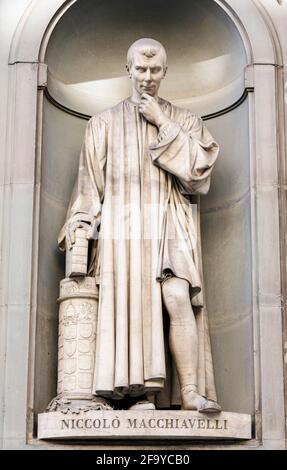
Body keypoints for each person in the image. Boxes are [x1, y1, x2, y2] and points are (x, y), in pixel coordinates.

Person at [58, 38, 221, 412]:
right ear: (127, 68)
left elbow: (199, 174)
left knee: (178, 296)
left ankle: (191, 392)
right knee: (134, 306)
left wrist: (162, 122)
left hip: (169, 218)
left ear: (165, 71)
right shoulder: (103, 122)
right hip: (123, 228)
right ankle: (140, 394)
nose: (148, 77)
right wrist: (81, 226)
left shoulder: (184, 119)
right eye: (141, 69)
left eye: (155, 70)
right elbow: (89, 188)